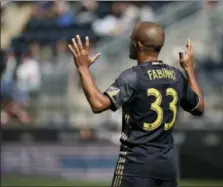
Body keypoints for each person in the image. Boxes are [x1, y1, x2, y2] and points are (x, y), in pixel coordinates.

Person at [68, 22, 204, 187]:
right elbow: (199, 107)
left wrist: (83, 68)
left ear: (138, 45)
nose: (130, 42)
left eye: (131, 39)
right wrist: (189, 69)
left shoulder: (132, 77)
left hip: (136, 166)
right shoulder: (176, 76)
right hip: (167, 168)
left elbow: (98, 104)